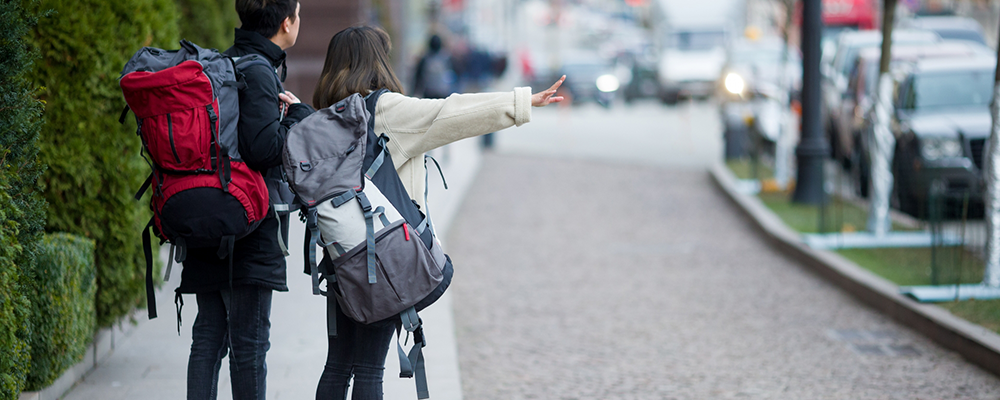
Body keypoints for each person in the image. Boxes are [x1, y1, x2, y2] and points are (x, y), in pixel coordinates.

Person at [311, 25, 564, 400]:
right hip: (381, 258)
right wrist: (522, 102)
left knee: (338, 364)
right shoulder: (385, 109)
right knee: (368, 368)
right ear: (376, 62)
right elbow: (452, 112)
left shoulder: (324, 117)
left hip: (339, 256)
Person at [177, 0, 315, 399]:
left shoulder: (223, 62)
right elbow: (263, 149)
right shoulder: (258, 71)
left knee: (208, 337)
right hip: (249, 227)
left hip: (208, 213)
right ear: (286, 23)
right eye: (298, 14)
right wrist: (296, 116)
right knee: (249, 346)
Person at [411, 34, 458, 99]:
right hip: (442, 91)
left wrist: (415, 91)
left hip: (429, 91)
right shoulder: (446, 58)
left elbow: (418, 76)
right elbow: (453, 74)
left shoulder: (425, 59)